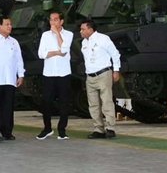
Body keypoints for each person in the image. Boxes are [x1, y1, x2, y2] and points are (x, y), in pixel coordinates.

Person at [79, 19, 121, 139]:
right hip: (90, 76)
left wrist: (116, 70)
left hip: (103, 74)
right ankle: (98, 129)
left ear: (90, 29)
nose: (80, 31)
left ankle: (110, 128)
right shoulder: (84, 43)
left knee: (106, 101)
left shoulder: (103, 39)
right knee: (93, 104)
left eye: (83, 29)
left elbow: (115, 54)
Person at [0, 16, 25, 141]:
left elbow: (19, 60)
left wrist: (21, 74)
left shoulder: (14, 42)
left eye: (10, 24)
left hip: (10, 79)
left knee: (8, 106)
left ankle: (7, 131)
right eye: (7, 24)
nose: (10, 26)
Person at [36, 12, 73, 141]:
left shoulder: (69, 34)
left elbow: (64, 50)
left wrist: (57, 34)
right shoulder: (45, 35)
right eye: (51, 20)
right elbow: (41, 54)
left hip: (64, 73)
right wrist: (56, 52)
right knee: (46, 102)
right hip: (49, 73)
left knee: (64, 102)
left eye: (56, 20)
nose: (53, 22)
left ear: (61, 21)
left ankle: (62, 130)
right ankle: (47, 128)